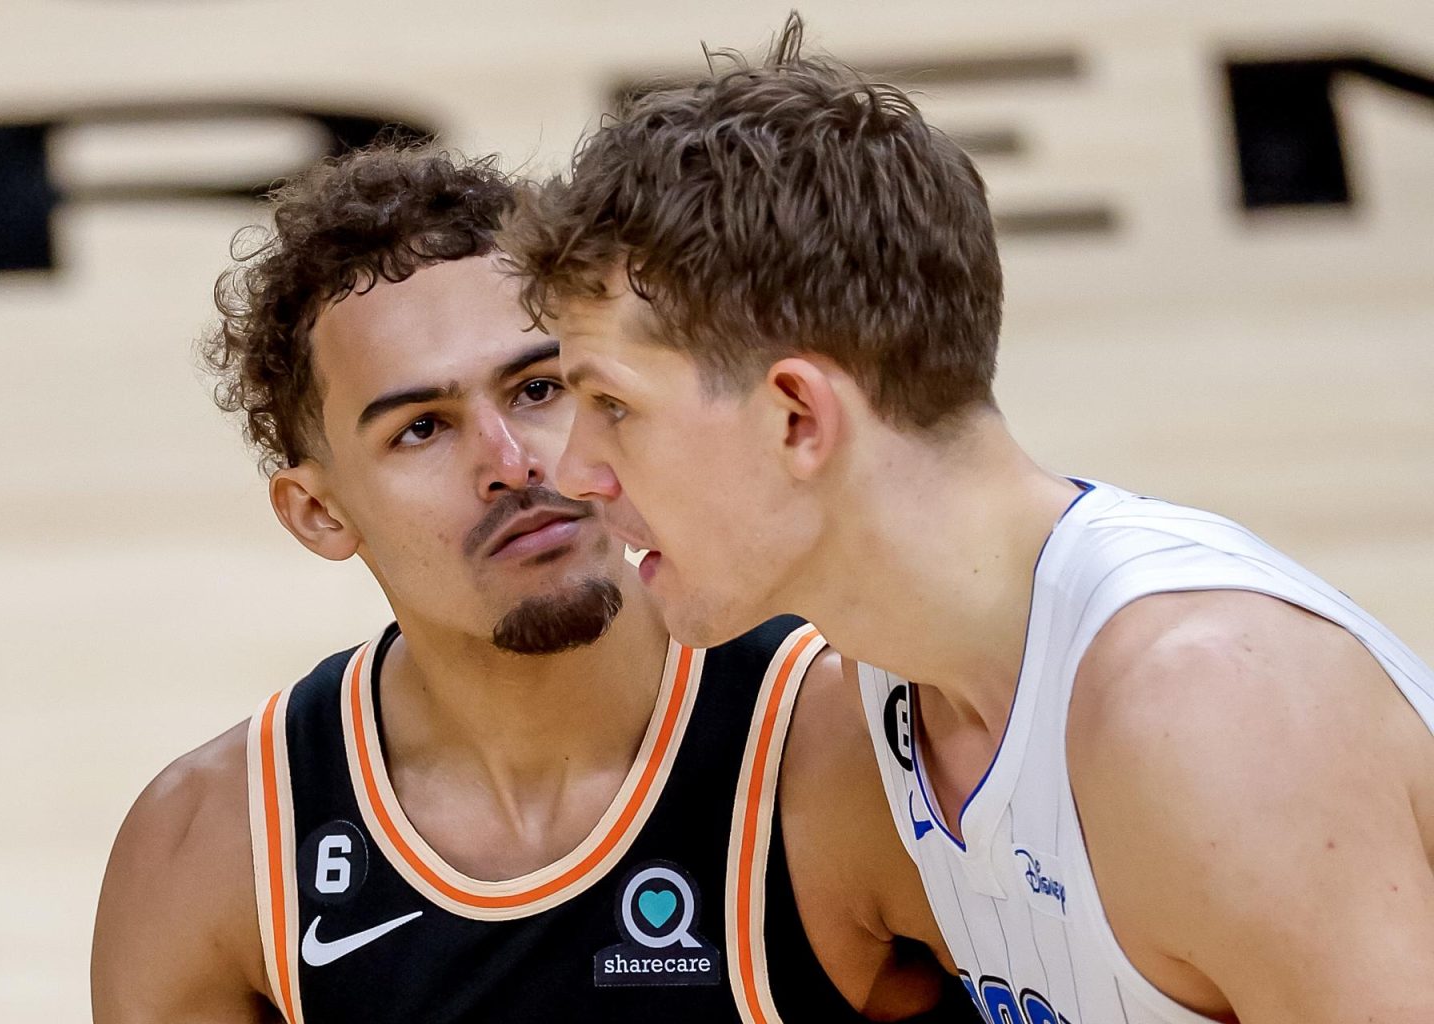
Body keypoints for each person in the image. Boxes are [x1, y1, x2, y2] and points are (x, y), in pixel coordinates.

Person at [500, 15, 1434, 1024]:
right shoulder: (894, 686)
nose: (573, 472)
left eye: (613, 407)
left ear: (799, 417)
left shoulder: (1205, 708)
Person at [89, 142, 976, 1024]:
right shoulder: (212, 853)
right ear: (319, 512)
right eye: (422, 429)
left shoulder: (858, 749)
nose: (508, 464)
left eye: (539, 388)